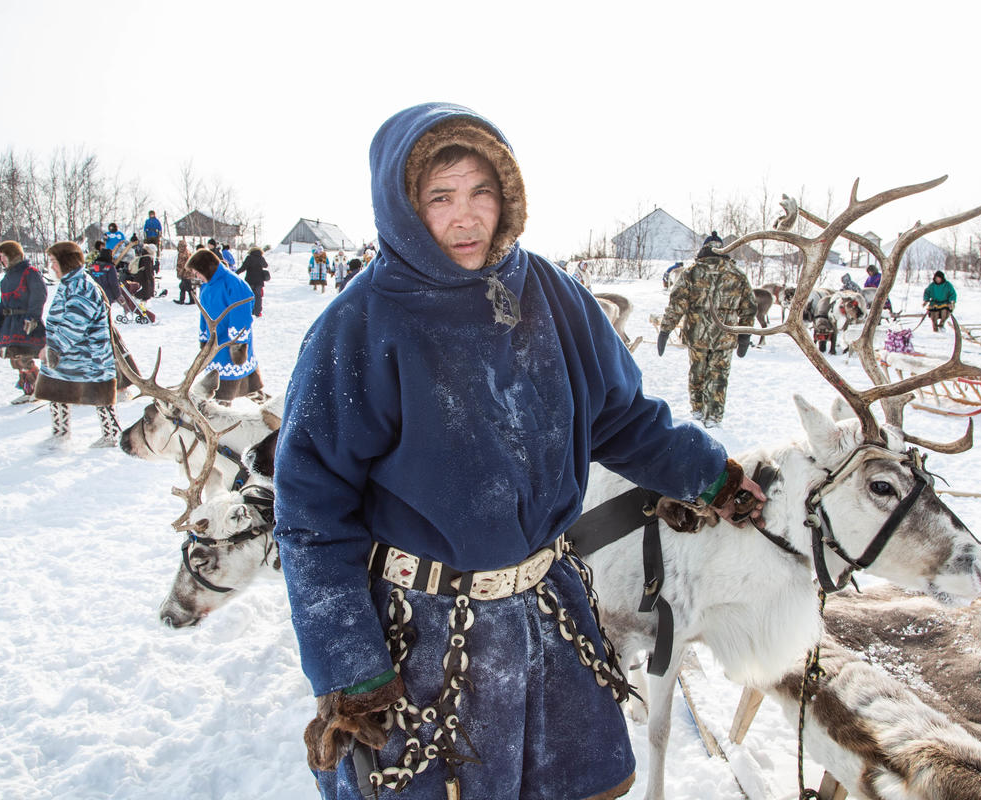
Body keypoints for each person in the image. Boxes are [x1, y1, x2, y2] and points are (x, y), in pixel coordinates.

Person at [273, 102, 765, 800]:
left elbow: (621, 418)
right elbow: (311, 514)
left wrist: (709, 476)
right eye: (440, 197)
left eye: (482, 192)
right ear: (405, 204)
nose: (466, 216)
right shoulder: (357, 326)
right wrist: (350, 664)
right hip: (423, 634)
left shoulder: (552, 296)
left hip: (547, 612)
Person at [656, 240, 757, 428]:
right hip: (726, 338)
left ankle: (697, 411)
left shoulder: (691, 273)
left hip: (697, 337)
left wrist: (665, 330)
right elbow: (748, 308)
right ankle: (714, 418)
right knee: (719, 377)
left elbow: (677, 304)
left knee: (697, 374)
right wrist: (744, 336)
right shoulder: (737, 275)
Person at [34, 241, 121, 448]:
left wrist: (55, 347)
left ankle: (111, 435)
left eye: (54, 261)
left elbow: (75, 323)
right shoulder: (69, 284)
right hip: (68, 354)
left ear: (66, 262)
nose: (51, 266)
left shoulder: (83, 287)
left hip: (89, 355)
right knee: (56, 389)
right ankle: (60, 431)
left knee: (100, 394)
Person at [188, 248, 264, 402]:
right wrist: (204, 340)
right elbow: (204, 316)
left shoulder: (234, 283)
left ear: (205, 268)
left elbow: (241, 316)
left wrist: (238, 347)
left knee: (227, 393)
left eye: (197, 272)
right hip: (215, 346)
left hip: (230, 347)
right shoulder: (206, 286)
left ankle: (272, 416)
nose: (196, 276)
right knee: (219, 392)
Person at [0, 240, 47, 404]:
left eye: (4, 256)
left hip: (26, 322)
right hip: (10, 323)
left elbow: (39, 296)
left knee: (24, 357)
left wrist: (33, 317)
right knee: (15, 359)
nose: (2, 260)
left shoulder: (30, 272)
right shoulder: (6, 278)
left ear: (14, 255)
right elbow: (3, 304)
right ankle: (28, 390)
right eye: (0, 257)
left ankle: (39, 388)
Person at [236, 246, 270, 317]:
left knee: (249, 296)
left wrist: (235, 273)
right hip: (259, 281)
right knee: (258, 297)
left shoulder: (249, 258)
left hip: (250, 280)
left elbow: (243, 268)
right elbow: (266, 265)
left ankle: (250, 311)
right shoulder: (261, 258)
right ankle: (258, 312)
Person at [173, 239, 197, 305]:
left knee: (187, 287)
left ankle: (190, 300)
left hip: (185, 274)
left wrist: (180, 273)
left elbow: (182, 265)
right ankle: (183, 300)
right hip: (188, 273)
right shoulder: (187, 252)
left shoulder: (182, 254)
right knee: (183, 287)